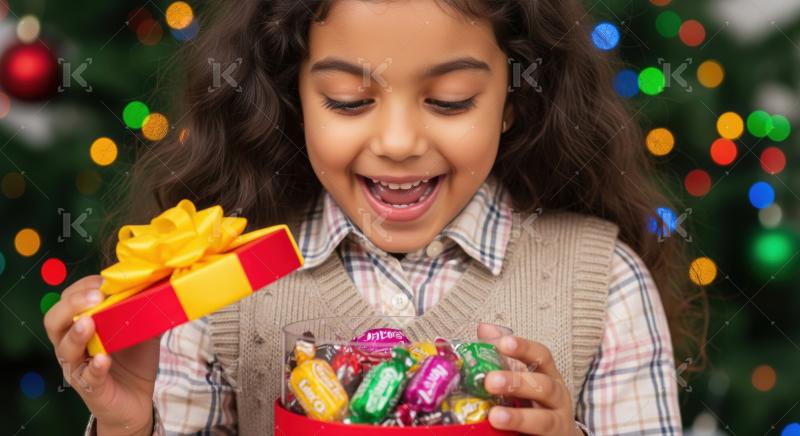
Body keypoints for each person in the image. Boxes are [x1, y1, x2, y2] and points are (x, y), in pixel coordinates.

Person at [44, 0, 707, 434]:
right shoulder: (218, 289)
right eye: (347, 100)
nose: (396, 142)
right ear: (293, 95)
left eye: (450, 101)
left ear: (512, 98)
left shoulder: (602, 283)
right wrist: (131, 424)